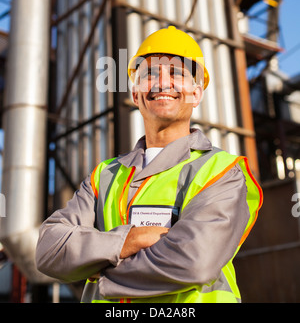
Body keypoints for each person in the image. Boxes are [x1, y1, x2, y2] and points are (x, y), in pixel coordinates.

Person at [36, 25, 263, 303]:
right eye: (149, 75)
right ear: (135, 95)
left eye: (176, 74)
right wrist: (128, 241)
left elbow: (193, 261)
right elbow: (49, 250)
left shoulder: (222, 172)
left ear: (196, 94)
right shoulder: (104, 176)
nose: (161, 83)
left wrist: (97, 269)